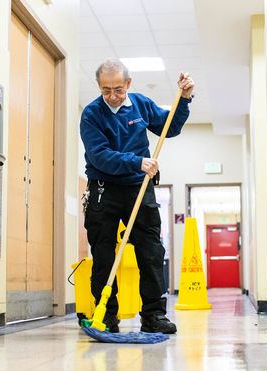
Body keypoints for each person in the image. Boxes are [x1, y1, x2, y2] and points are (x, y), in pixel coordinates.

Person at [79, 58, 194, 334]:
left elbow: (170, 127)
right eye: (106, 90)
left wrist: (185, 100)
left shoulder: (141, 104)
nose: (113, 96)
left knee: (151, 252)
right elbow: (100, 156)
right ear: (99, 87)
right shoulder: (91, 115)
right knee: (104, 253)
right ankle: (106, 315)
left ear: (128, 84)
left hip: (139, 188)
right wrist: (137, 162)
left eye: (118, 89)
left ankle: (153, 315)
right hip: (103, 188)